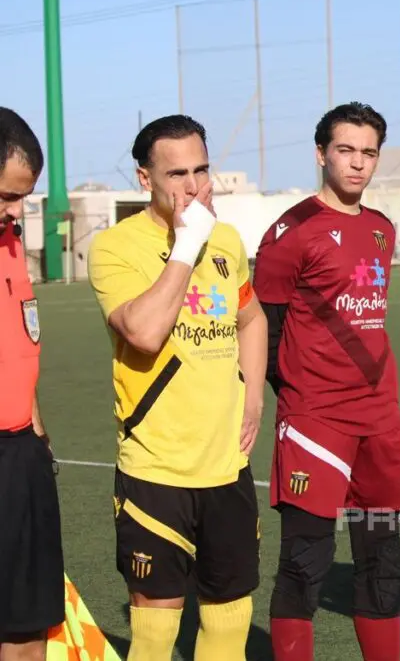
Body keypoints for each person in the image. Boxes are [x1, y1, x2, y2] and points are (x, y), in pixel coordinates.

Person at [88, 115, 266, 661]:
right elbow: (144, 333)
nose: (193, 186)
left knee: (230, 624)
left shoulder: (226, 241)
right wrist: (188, 242)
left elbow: (252, 318)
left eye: (201, 170)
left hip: (226, 468)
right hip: (156, 472)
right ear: (145, 179)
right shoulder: (114, 247)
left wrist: (254, 398)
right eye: (177, 174)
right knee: (155, 634)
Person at [253, 102, 400, 661]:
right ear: (321, 154)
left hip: (380, 418)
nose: (358, 163)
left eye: (369, 152)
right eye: (346, 150)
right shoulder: (290, 232)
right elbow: (264, 332)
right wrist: (301, 394)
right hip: (315, 421)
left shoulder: (382, 229)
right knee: (305, 561)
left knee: (383, 557)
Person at [0, 108, 63, 661]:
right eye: (8, 195)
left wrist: (36, 426)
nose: (17, 209)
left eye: (23, 196)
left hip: (21, 453)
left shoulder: (10, 239)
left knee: (29, 624)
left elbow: (21, 338)